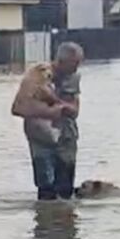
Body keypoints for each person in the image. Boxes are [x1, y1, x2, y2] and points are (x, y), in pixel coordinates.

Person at [12, 41, 84, 200]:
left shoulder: (73, 78)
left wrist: (62, 106)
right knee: (46, 190)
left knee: (66, 191)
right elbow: (18, 108)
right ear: (62, 61)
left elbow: (75, 110)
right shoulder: (37, 76)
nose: (77, 67)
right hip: (41, 138)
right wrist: (50, 112)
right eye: (75, 63)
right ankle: (47, 223)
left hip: (66, 138)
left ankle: (63, 222)